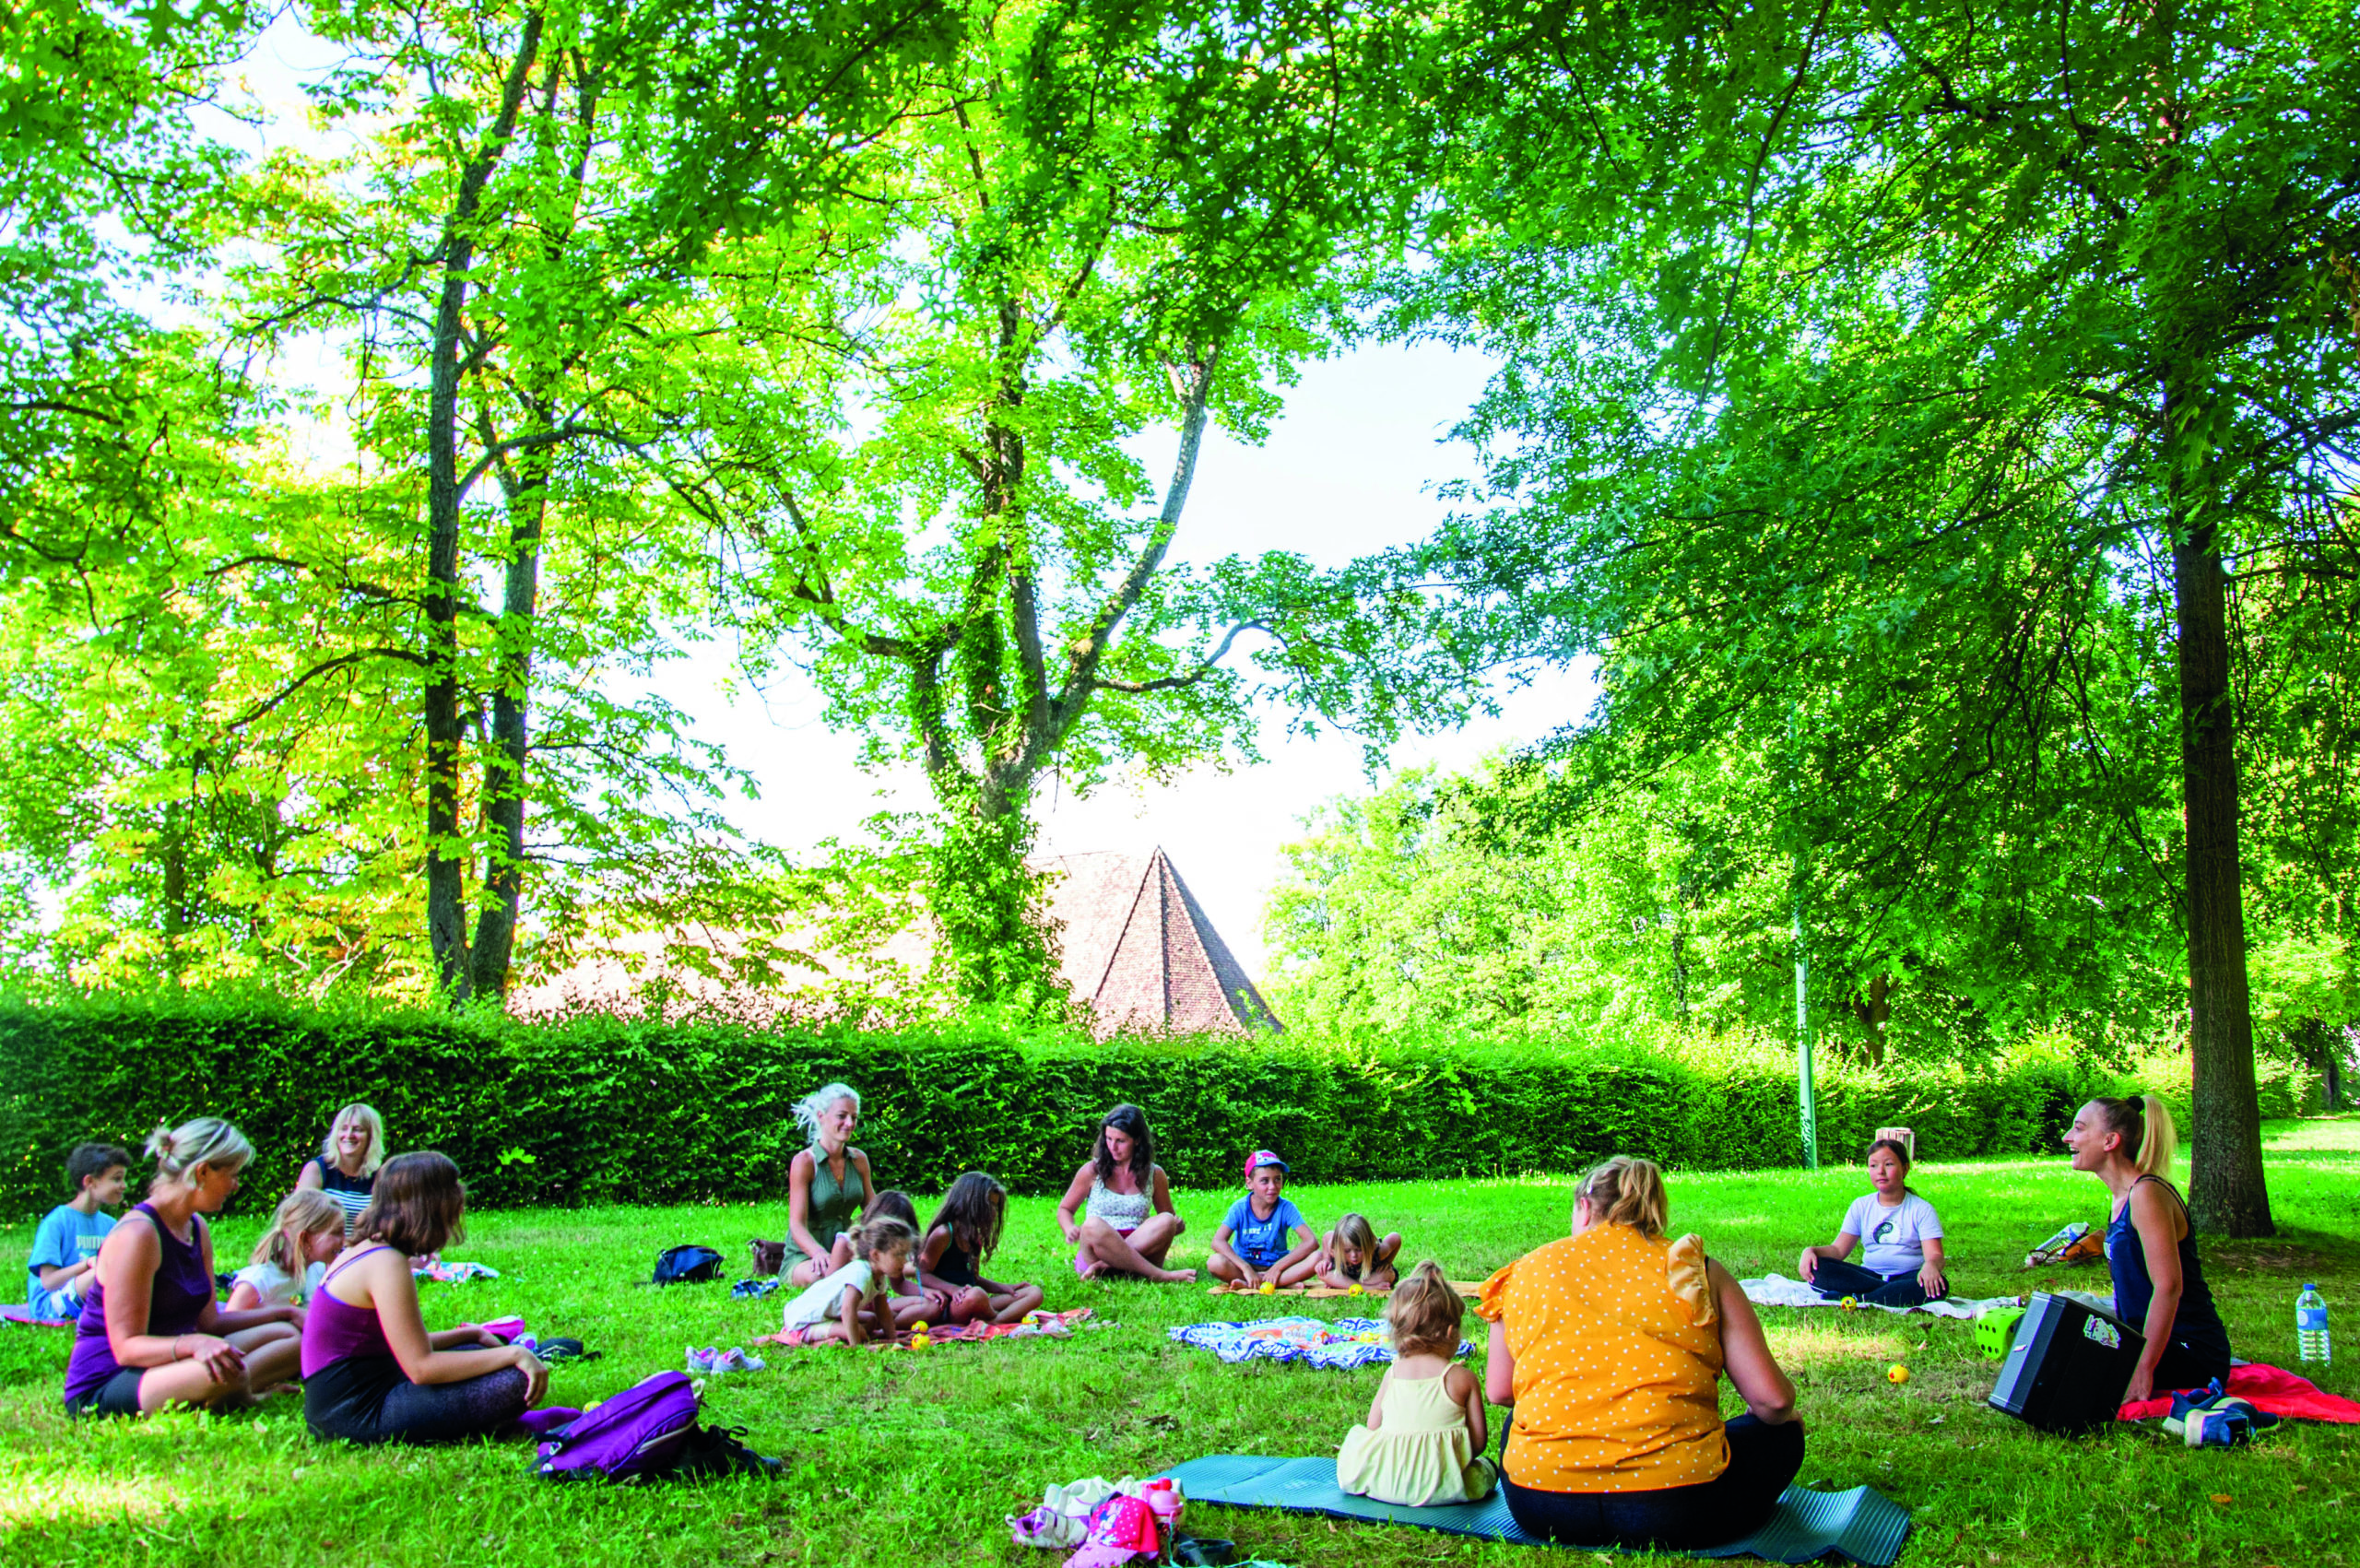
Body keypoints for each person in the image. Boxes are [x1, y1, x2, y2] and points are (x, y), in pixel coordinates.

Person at [1478, 1156, 1804, 1551]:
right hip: (1676, 1506)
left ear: (1584, 1206)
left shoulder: (1527, 1271)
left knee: (1519, 1419)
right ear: (1654, 1210)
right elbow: (1772, 1400)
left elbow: (1499, 1392)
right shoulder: (1695, 1270)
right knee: (1785, 1433)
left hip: (1540, 1505)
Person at [301, 1150, 548, 1444]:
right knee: (513, 1379)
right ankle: (497, 1424)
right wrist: (516, 1353)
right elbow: (421, 1367)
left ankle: (495, 1420)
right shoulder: (386, 1263)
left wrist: (471, 1334)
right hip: (356, 1415)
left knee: (474, 1348)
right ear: (431, 1208)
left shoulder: (370, 1250)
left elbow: (399, 1346)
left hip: (366, 1389)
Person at [62, 1119, 304, 1418]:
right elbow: (126, 1348)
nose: (236, 1185)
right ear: (202, 1172)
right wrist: (193, 1343)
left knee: (291, 1339)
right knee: (225, 1371)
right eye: (232, 1174)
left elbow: (210, 1324)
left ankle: (227, 1387)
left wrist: (287, 1313)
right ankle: (240, 1393)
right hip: (109, 1379)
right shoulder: (138, 1235)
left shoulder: (196, 1227)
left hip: (171, 1362)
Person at [2063, 1094, 2233, 1401]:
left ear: (2110, 1141)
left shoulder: (2146, 1193)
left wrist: (2142, 1368)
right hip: (2144, 1342)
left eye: (2079, 1128)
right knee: (2053, 1339)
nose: (2067, 1137)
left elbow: (2169, 1286)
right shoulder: (2122, 1198)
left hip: (2191, 1351)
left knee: (2068, 1373)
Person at [1338, 1261, 1495, 1506]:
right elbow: (1477, 1444)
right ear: (1450, 1331)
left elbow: (1372, 1426)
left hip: (1389, 1484)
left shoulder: (1394, 1372)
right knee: (1488, 1468)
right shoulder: (1463, 1379)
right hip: (1445, 1488)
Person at [1797, 1138, 1948, 1307]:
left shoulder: (1921, 1209)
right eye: (1873, 1166)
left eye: (1889, 1164)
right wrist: (1811, 1251)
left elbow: (1935, 1255)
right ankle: (1885, 1293)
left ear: (1905, 1169)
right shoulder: (1861, 1205)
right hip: (1868, 1276)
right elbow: (1838, 1250)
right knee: (1819, 1269)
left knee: (1938, 1285)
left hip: (1908, 1276)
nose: (1880, 1171)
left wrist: (1931, 1266)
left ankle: (1860, 1298)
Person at [1055, 1104, 1195, 1284]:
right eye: (1108, 1139)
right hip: (1099, 1246)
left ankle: (1105, 1268)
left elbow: (1169, 1221)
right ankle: (1160, 1276)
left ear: (1137, 1140)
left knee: (1166, 1219)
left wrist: (1176, 1225)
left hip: (1141, 1249)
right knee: (1092, 1225)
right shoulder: (1092, 1170)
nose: (1113, 1146)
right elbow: (1065, 1208)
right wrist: (1069, 1228)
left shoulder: (1155, 1174)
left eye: (1120, 1141)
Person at [757, 1215, 916, 1347]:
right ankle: (811, 1339)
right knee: (859, 1332)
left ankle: (834, 1337)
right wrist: (858, 1347)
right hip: (803, 1320)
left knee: (871, 1320)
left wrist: (893, 1339)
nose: (904, 1261)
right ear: (875, 1255)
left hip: (828, 1317)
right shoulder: (861, 1273)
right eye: (898, 1255)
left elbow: (883, 1312)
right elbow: (848, 1310)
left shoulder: (879, 1276)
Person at [781, 1082, 877, 1288]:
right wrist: (818, 1253)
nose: (849, 1123)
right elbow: (796, 1225)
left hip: (846, 1251)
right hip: (807, 1257)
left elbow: (875, 1211)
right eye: (842, 1116)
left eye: (854, 1117)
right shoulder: (805, 1162)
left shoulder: (859, 1160)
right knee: (825, 1278)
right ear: (821, 1116)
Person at [923, 1172, 1045, 1326]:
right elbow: (922, 1274)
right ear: (970, 1202)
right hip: (950, 1306)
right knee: (977, 1295)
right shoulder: (943, 1233)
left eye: (996, 1206)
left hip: (977, 1301)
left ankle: (995, 1320)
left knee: (1034, 1293)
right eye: (990, 1205)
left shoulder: (974, 1238)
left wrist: (1005, 1288)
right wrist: (952, 1289)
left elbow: (975, 1279)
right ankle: (996, 1318)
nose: (994, 1212)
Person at [26, 1142, 129, 1323]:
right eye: (116, 1179)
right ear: (89, 1182)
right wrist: (87, 1265)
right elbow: (49, 1282)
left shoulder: (110, 1224)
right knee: (99, 1274)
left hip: (91, 1297)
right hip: (51, 1304)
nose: (124, 1185)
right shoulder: (56, 1222)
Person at [227, 1188, 348, 1324]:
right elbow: (228, 1325)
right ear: (305, 1238)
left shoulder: (319, 1272)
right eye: (336, 1233)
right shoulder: (260, 1280)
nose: (344, 1240)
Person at [1210, 1149, 1321, 1289]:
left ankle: (1256, 1284)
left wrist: (1278, 1268)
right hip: (1245, 1269)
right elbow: (1217, 1241)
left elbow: (1311, 1241)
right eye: (1264, 1181)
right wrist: (1245, 1268)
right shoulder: (1239, 1208)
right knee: (1215, 1262)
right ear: (1249, 1183)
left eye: (1277, 1179)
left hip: (1277, 1269)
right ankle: (1277, 1283)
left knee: (1318, 1257)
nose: (1272, 1187)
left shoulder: (1286, 1208)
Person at [296, 1102, 387, 1235]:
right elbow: (298, 1219)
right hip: (324, 1251)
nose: (349, 1135)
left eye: (357, 1129)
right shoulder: (317, 1169)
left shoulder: (382, 1175)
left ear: (371, 1136)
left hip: (364, 1251)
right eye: (343, 1128)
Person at [863, 1189, 948, 1329]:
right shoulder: (847, 1244)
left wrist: (924, 1291)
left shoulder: (894, 1250)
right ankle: (883, 1323)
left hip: (881, 1304)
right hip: (850, 1307)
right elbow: (830, 1290)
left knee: (931, 1306)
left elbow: (899, 1283)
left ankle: (886, 1325)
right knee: (872, 1316)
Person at [1316, 1210, 1403, 1292]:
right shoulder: (1335, 1248)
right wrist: (1326, 1259)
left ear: (1368, 1246)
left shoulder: (1378, 1251)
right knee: (1322, 1272)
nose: (1353, 1255)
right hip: (1348, 1276)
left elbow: (1396, 1238)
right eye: (1347, 1251)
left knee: (1388, 1275)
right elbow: (1327, 1236)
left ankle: (1343, 1283)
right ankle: (1365, 1287)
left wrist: (1387, 1262)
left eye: (1359, 1250)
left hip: (1369, 1276)